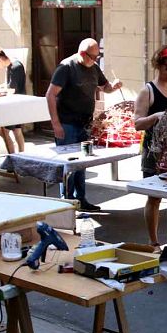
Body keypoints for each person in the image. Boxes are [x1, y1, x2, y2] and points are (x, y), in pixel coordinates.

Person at [46, 38, 123, 212]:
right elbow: (50, 95)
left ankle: (81, 200)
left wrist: (114, 86)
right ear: (82, 54)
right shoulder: (66, 68)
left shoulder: (94, 68)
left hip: (85, 123)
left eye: (98, 57)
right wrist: (56, 123)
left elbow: (105, 87)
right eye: (93, 57)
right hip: (67, 123)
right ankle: (66, 205)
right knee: (69, 166)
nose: (96, 60)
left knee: (82, 165)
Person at [134, 47, 167, 248]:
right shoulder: (147, 91)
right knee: (154, 197)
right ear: (158, 65)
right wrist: (155, 117)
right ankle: (153, 241)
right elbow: (137, 124)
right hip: (153, 151)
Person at [0, 44, 26, 154]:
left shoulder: (14, 67)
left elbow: (12, 88)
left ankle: (13, 156)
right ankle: (21, 155)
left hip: (14, 105)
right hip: (17, 104)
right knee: (17, 130)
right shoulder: (13, 65)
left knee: (3, 132)